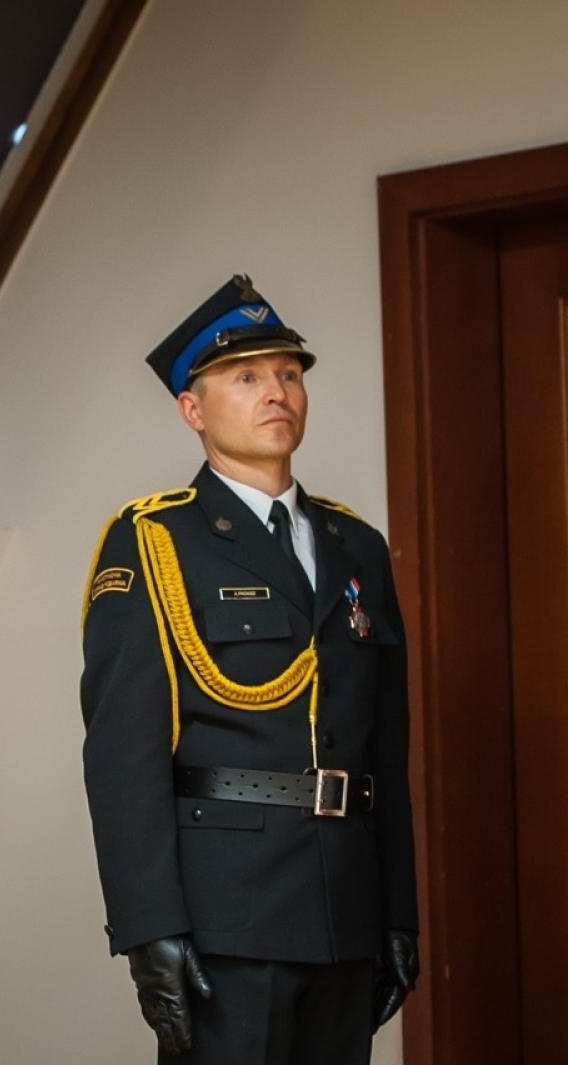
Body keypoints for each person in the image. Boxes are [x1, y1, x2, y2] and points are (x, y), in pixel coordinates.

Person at [79, 275, 419, 1063]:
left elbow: (385, 750)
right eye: (247, 376)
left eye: (290, 374)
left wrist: (397, 913)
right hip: (228, 920)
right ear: (192, 410)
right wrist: (148, 927)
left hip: (344, 912)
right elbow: (122, 756)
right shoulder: (156, 542)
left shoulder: (355, 544)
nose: (277, 392)